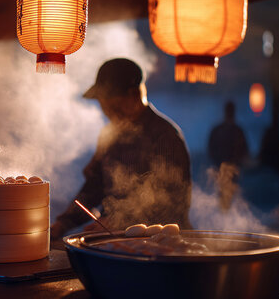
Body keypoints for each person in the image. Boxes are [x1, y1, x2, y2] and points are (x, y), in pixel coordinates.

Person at [50, 58, 192, 239]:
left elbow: (172, 203)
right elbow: (94, 186)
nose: (108, 115)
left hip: (160, 244)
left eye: (114, 108)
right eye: (104, 108)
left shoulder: (165, 137)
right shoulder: (108, 135)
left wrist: (121, 222)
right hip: (114, 240)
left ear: (134, 95)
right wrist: (64, 223)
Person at [207, 101, 249, 210]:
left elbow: (211, 150)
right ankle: (225, 218)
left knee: (228, 197)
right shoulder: (237, 131)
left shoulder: (219, 130)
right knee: (226, 196)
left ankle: (225, 218)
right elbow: (245, 152)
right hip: (227, 170)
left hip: (226, 170)